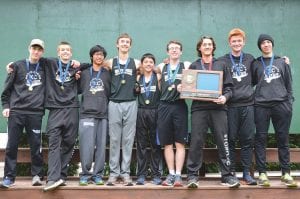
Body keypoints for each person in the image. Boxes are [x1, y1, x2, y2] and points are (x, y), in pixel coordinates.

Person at [186, 36, 240, 188]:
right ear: (200, 48)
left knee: (223, 141)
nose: (207, 46)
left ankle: (227, 176)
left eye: (210, 44)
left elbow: (230, 88)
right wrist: (182, 88)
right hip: (199, 109)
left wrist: (225, 97)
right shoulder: (194, 65)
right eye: (204, 44)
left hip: (218, 108)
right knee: (196, 141)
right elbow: (187, 86)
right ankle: (192, 176)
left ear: (213, 47)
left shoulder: (221, 64)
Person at [252, 34, 297, 187]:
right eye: (263, 43)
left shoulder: (281, 62)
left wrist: (289, 102)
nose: (266, 44)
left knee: (283, 139)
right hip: (261, 105)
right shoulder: (255, 64)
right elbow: (249, 83)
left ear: (272, 44)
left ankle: (286, 173)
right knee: (261, 139)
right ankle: (262, 174)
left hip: (281, 105)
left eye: (268, 42)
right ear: (260, 46)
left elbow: (289, 84)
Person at [0, 39, 46, 188]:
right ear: (29, 49)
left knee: (36, 146)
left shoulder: (45, 66)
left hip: (35, 113)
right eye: (34, 48)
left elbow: (63, 62)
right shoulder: (17, 66)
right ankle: (9, 177)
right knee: (11, 145)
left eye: (39, 49)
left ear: (42, 52)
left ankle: (37, 176)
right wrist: (6, 106)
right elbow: (6, 90)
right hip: (17, 112)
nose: (36, 51)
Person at [218, 28, 257, 185]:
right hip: (230, 106)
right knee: (231, 140)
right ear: (229, 43)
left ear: (243, 42)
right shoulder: (222, 60)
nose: (236, 43)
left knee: (247, 140)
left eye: (239, 40)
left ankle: (247, 173)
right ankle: (231, 172)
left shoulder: (250, 59)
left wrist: (282, 59)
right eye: (233, 41)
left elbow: (257, 75)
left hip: (248, 105)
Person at [43, 41, 80, 191]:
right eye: (62, 50)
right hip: (55, 109)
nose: (65, 52)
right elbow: (34, 58)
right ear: (58, 53)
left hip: (72, 109)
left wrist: (77, 65)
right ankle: (52, 178)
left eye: (68, 50)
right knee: (53, 144)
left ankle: (61, 175)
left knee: (69, 143)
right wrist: (12, 65)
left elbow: (87, 65)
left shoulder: (75, 67)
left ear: (71, 53)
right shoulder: (50, 63)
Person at [106, 33, 140, 186]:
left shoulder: (137, 63)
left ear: (130, 45)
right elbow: (95, 64)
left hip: (131, 102)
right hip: (114, 103)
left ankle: (125, 173)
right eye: (122, 42)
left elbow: (154, 69)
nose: (125, 44)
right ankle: (113, 173)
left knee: (128, 140)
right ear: (117, 45)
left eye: (127, 42)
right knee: (114, 139)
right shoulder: (110, 62)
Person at [157, 40, 190, 187]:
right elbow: (143, 69)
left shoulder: (187, 66)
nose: (174, 50)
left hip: (179, 106)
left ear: (181, 52)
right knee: (167, 143)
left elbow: (197, 75)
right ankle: (170, 173)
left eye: (177, 48)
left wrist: (186, 86)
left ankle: (178, 175)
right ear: (167, 52)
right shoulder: (161, 66)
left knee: (180, 142)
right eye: (171, 48)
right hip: (164, 106)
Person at [77, 45, 111, 186]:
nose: (99, 57)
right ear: (92, 56)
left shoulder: (108, 73)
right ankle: (85, 174)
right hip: (86, 114)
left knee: (101, 147)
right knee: (87, 147)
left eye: (101, 54)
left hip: (103, 115)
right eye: (96, 54)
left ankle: (98, 175)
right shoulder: (83, 72)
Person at [135, 53, 162, 185]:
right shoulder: (138, 77)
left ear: (154, 64)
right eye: (146, 62)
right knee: (141, 145)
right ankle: (141, 175)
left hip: (155, 111)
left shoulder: (157, 76)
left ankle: (157, 174)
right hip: (140, 111)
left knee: (156, 145)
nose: (148, 64)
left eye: (151, 62)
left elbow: (164, 66)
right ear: (142, 64)